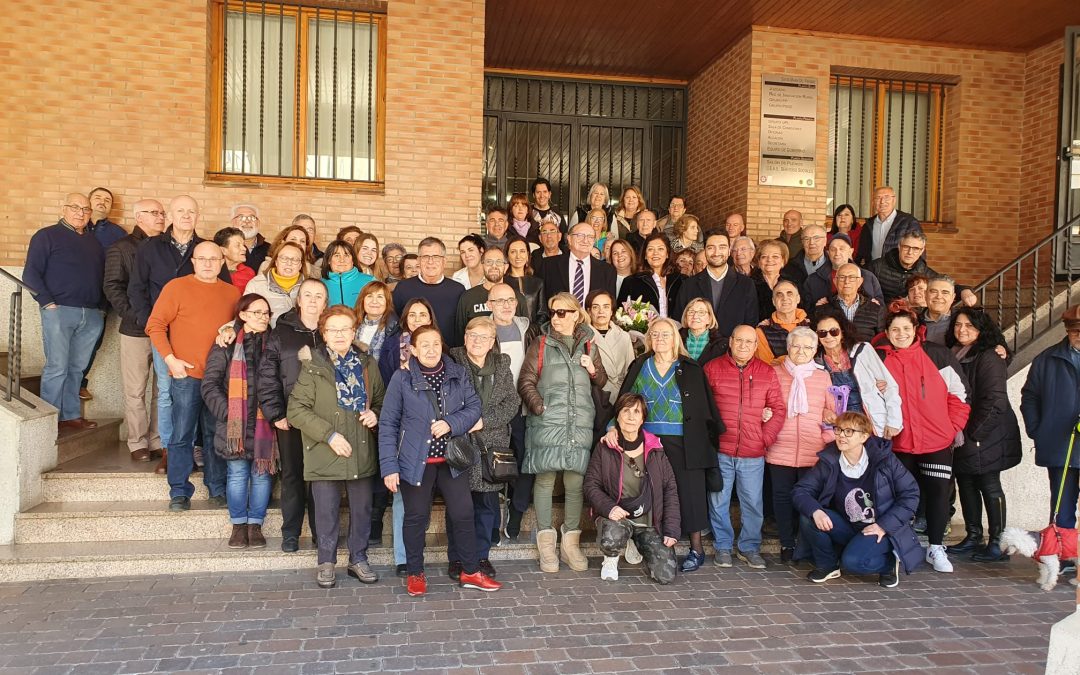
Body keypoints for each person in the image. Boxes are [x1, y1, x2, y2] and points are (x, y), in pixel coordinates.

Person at [379, 324, 501, 596]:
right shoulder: (402, 379)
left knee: (463, 513)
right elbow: (388, 423)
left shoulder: (457, 373)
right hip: (415, 461)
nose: (431, 349)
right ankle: (415, 573)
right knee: (416, 517)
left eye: (435, 343)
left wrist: (450, 423)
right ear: (412, 349)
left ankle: (470, 570)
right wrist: (389, 466)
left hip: (451, 461)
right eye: (424, 345)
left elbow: (474, 409)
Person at [613, 318, 722, 572]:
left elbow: (704, 409)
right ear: (649, 339)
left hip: (686, 442)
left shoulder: (690, 367)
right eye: (655, 335)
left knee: (690, 493)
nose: (660, 339)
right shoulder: (640, 365)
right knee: (654, 493)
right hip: (649, 442)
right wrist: (612, 427)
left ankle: (696, 549)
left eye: (666, 335)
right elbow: (626, 399)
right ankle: (660, 547)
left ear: (675, 338)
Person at [287, 305, 383, 588]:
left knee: (362, 508)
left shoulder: (368, 363)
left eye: (345, 329)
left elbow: (381, 399)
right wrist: (328, 435)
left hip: (361, 448)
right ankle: (326, 561)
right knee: (326, 510)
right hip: (324, 451)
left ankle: (358, 558)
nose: (340, 334)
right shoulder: (312, 365)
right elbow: (296, 409)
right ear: (323, 333)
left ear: (354, 332)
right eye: (333, 330)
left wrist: (375, 413)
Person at [129, 195, 226, 474]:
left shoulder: (206, 249)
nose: (186, 216)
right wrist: (152, 322)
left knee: (199, 392)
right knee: (166, 391)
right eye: (180, 211)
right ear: (170, 214)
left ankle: (193, 448)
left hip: (197, 335)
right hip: (163, 332)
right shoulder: (150, 247)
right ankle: (171, 451)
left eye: (191, 211)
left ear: (198, 216)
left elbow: (225, 288)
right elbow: (136, 287)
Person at [145, 241, 241, 511]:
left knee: (214, 432)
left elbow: (238, 325)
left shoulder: (232, 293)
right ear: (193, 261)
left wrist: (233, 330)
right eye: (202, 258)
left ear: (222, 262)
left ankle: (217, 487)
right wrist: (170, 360)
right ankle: (179, 490)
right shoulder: (176, 287)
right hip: (185, 374)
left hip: (218, 378)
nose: (208, 263)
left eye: (214, 259)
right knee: (182, 432)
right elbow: (155, 325)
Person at [878, 301, 970, 573]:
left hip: (936, 440)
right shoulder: (880, 359)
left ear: (916, 330)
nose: (901, 333)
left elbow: (960, 395)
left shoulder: (937, 355)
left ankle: (936, 547)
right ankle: (901, 544)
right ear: (887, 331)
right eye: (895, 329)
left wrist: (952, 427)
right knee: (901, 495)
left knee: (939, 494)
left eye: (906, 328)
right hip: (899, 441)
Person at [518, 293, 608, 573]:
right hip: (547, 421)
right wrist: (538, 406)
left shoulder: (589, 344)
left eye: (563, 312)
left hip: (579, 421)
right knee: (544, 480)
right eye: (553, 312)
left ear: (576, 314)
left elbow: (603, 380)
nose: (556, 317)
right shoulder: (541, 343)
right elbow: (526, 380)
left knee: (575, 483)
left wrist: (592, 368)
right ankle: (546, 545)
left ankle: (570, 544)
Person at [792, 412, 923, 587]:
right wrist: (816, 511)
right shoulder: (829, 459)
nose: (840, 436)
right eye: (838, 430)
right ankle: (828, 566)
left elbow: (911, 493)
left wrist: (884, 526)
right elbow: (801, 490)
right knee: (808, 517)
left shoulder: (885, 459)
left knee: (853, 563)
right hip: (848, 526)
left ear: (864, 436)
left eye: (848, 431)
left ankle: (889, 564)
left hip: (880, 529)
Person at [704, 326, 786, 569]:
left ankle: (749, 547)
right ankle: (723, 546)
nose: (743, 346)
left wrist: (764, 438)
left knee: (752, 502)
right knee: (718, 500)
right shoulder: (712, 369)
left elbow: (778, 409)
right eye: (738, 340)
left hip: (752, 451)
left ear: (755, 345)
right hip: (721, 450)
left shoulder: (766, 372)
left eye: (749, 342)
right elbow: (703, 409)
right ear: (730, 341)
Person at [24, 193, 106, 431]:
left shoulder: (94, 243)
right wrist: (48, 303)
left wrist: (100, 308)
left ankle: (70, 415)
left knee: (76, 368)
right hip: (59, 311)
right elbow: (31, 274)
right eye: (75, 207)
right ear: (64, 209)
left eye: (86, 209)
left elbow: (100, 276)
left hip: (90, 314)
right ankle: (49, 420)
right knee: (57, 366)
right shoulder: (46, 236)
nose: (80, 213)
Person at [946, 307, 1022, 562]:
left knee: (989, 486)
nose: (962, 330)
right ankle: (973, 535)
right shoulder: (956, 353)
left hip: (986, 433)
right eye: (958, 324)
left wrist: (975, 433)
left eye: (969, 325)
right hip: (963, 433)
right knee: (966, 484)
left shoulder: (989, 356)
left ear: (981, 329)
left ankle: (998, 541)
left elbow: (995, 402)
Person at [258, 278, 327, 553]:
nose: (312, 300)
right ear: (299, 300)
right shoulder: (280, 333)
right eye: (307, 295)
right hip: (290, 417)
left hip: (323, 420)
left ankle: (322, 533)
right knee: (292, 476)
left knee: (321, 479)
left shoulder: (331, 331)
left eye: (318, 296)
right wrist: (275, 413)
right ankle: (291, 533)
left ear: (325, 302)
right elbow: (267, 376)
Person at [449, 317, 521, 579]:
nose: (477, 341)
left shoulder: (502, 365)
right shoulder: (453, 361)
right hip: (462, 444)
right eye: (472, 335)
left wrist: (484, 421)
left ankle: (481, 556)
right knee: (459, 507)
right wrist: (467, 421)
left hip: (492, 447)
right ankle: (456, 558)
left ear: (492, 342)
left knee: (487, 505)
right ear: (465, 337)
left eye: (484, 337)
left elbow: (512, 403)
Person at [201, 293, 275, 550]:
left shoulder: (274, 343)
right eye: (257, 312)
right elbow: (209, 384)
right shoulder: (227, 343)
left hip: (266, 423)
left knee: (262, 474)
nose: (263, 317)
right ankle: (238, 525)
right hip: (233, 424)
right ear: (242, 315)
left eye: (266, 313)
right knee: (237, 474)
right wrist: (228, 412)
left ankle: (255, 524)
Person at [584, 393, 680, 584]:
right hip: (618, 517)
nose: (630, 416)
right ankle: (611, 558)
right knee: (612, 536)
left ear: (643, 418)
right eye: (625, 411)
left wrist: (671, 529)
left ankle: (635, 541)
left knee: (666, 575)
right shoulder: (605, 447)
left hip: (648, 521)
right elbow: (590, 484)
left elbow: (670, 488)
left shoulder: (655, 448)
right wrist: (609, 508)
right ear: (617, 416)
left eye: (636, 412)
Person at [103, 199, 166, 461]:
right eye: (155, 213)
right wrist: (137, 316)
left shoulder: (166, 248)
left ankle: (158, 439)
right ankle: (137, 442)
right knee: (135, 389)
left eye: (162, 213)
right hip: (135, 329)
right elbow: (112, 287)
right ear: (139, 217)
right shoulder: (122, 248)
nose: (161, 217)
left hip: (165, 330)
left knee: (162, 390)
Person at [767, 327, 837, 563]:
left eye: (808, 347)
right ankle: (787, 543)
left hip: (813, 449)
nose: (801, 351)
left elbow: (832, 412)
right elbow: (763, 403)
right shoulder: (774, 373)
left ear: (815, 350)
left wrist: (830, 416)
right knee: (783, 498)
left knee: (809, 499)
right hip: (779, 446)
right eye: (796, 346)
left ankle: (805, 545)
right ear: (788, 348)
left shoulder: (822, 375)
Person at [487, 283, 539, 544]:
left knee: (526, 462)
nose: (506, 305)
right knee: (493, 463)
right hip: (495, 408)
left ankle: (516, 513)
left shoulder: (528, 329)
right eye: (499, 301)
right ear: (489, 305)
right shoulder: (482, 331)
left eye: (510, 300)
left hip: (524, 407)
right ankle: (494, 520)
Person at [1020, 306, 1080, 533]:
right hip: (1060, 446)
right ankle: (1063, 556)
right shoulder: (1046, 359)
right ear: (1066, 331)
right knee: (1061, 508)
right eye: (1075, 330)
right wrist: (1037, 430)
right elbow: (1030, 397)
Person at [812, 307, 902, 438]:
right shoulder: (816, 363)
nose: (828, 336)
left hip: (871, 421)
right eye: (822, 333)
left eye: (834, 331)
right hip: (839, 426)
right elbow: (814, 398)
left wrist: (894, 421)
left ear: (842, 332)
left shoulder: (862, 350)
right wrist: (823, 411)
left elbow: (889, 386)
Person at [80, 187, 126, 400]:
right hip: (70, 298)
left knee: (93, 343)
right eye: (98, 197)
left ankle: (79, 382)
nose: (102, 202)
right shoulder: (76, 227)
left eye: (107, 199)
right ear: (88, 202)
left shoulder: (118, 234)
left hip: (100, 301)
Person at [673, 230, 758, 338]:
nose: (716, 252)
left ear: (729, 251)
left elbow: (751, 322)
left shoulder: (746, 284)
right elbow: (679, 321)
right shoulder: (688, 285)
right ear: (704, 251)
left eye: (722, 247)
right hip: (698, 351)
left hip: (732, 351)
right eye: (711, 247)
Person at [392, 237, 467, 347]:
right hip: (410, 355)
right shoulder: (403, 288)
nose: (430, 262)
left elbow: (461, 328)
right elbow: (396, 324)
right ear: (418, 260)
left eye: (436, 257)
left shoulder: (457, 290)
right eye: (425, 257)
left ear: (444, 261)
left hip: (447, 356)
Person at [868, 231, 977, 306]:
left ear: (921, 251)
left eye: (915, 249)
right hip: (880, 316)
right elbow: (858, 281)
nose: (910, 252)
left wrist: (965, 291)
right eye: (906, 247)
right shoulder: (877, 266)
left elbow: (946, 285)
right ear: (899, 246)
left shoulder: (924, 272)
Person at [454, 247, 526, 339]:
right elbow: (460, 335)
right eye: (489, 262)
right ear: (482, 265)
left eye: (499, 262)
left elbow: (524, 332)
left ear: (506, 267)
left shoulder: (517, 298)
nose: (494, 266)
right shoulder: (467, 297)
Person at [539, 222, 617, 306]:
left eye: (590, 237)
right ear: (569, 239)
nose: (585, 240)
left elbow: (610, 306)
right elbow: (541, 303)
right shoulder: (548, 265)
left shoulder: (607, 270)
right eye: (580, 235)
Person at [617, 232, 684, 319]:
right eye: (650, 249)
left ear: (667, 254)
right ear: (645, 255)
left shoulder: (680, 280)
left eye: (660, 249)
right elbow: (620, 315)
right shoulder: (631, 282)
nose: (655, 253)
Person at [586, 289, 634, 404]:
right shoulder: (583, 336)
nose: (601, 311)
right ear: (588, 311)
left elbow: (631, 370)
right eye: (596, 307)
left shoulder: (624, 336)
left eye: (606, 307)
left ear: (612, 311)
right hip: (593, 396)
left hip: (621, 396)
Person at [856, 186, 922, 266]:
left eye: (886, 197)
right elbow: (861, 252)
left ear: (894, 200)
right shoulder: (868, 225)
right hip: (873, 272)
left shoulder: (909, 222)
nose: (882, 201)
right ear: (873, 202)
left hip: (897, 273)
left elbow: (919, 251)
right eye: (878, 198)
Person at [818, 263, 885, 342]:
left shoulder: (876, 310)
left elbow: (882, 340)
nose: (846, 282)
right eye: (842, 277)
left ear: (860, 281)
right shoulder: (823, 309)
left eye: (852, 277)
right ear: (835, 281)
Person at [244, 241, 305, 328]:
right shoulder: (256, 284)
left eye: (295, 260)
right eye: (284, 258)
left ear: (300, 265)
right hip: (266, 339)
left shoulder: (308, 288)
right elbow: (243, 314)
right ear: (276, 261)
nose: (289, 263)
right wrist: (230, 329)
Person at [814, 233, 884, 305]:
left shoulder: (868, 277)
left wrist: (875, 305)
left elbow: (881, 307)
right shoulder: (814, 279)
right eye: (833, 249)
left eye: (842, 249)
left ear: (851, 251)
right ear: (828, 253)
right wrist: (819, 309)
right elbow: (808, 310)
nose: (837, 253)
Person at [755, 280, 810, 364]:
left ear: (798, 299)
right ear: (773, 301)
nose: (785, 298)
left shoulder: (811, 326)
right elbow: (766, 366)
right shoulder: (762, 331)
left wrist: (781, 360)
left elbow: (815, 360)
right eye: (779, 295)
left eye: (789, 293)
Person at [751, 239, 797, 321]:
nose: (769, 260)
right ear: (758, 261)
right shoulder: (749, 283)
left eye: (775, 256)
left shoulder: (792, 282)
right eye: (764, 257)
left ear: (783, 261)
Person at [353, 281, 397, 364]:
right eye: (369, 296)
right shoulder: (352, 325)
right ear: (362, 300)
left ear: (387, 302)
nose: (374, 301)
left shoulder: (394, 329)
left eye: (380, 297)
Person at [321, 239, 373, 307]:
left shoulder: (370, 281)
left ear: (353, 260)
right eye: (337, 255)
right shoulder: (320, 284)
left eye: (346, 255)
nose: (342, 260)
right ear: (329, 260)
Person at [505, 239, 545, 325]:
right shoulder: (502, 283)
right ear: (507, 256)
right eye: (513, 252)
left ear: (527, 255)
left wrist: (532, 331)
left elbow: (543, 313)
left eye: (522, 251)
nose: (518, 256)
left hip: (533, 334)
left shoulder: (538, 283)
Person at [680, 299, 728, 366]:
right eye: (691, 312)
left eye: (701, 312)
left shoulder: (722, 344)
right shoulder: (675, 339)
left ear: (709, 318)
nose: (695, 316)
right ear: (685, 317)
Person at [231, 204, 270, 273]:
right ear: (233, 222)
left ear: (258, 223)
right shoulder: (222, 247)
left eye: (252, 218)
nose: (247, 221)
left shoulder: (271, 249)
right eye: (241, 217)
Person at [216, 226, 256, 292]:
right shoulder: (212, 270)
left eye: (243, 245)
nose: (244, 249)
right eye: (238, 245)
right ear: (223, 250)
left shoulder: (249, 272)